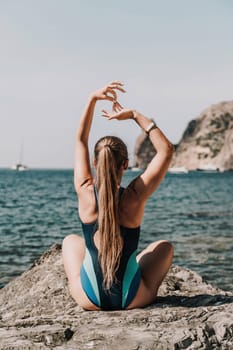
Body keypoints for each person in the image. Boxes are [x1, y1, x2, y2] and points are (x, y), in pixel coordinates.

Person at [62, 81, 174, 311]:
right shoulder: (134, 196)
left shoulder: (85, 191)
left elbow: (80, 140)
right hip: (131, 299)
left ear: (95, 162)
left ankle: (81, 285)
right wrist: (135, 115)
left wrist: (92, 98)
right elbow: (166, 151)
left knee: (70, 241)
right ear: (126, 164)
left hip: (89, 299)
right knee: (164, 247)